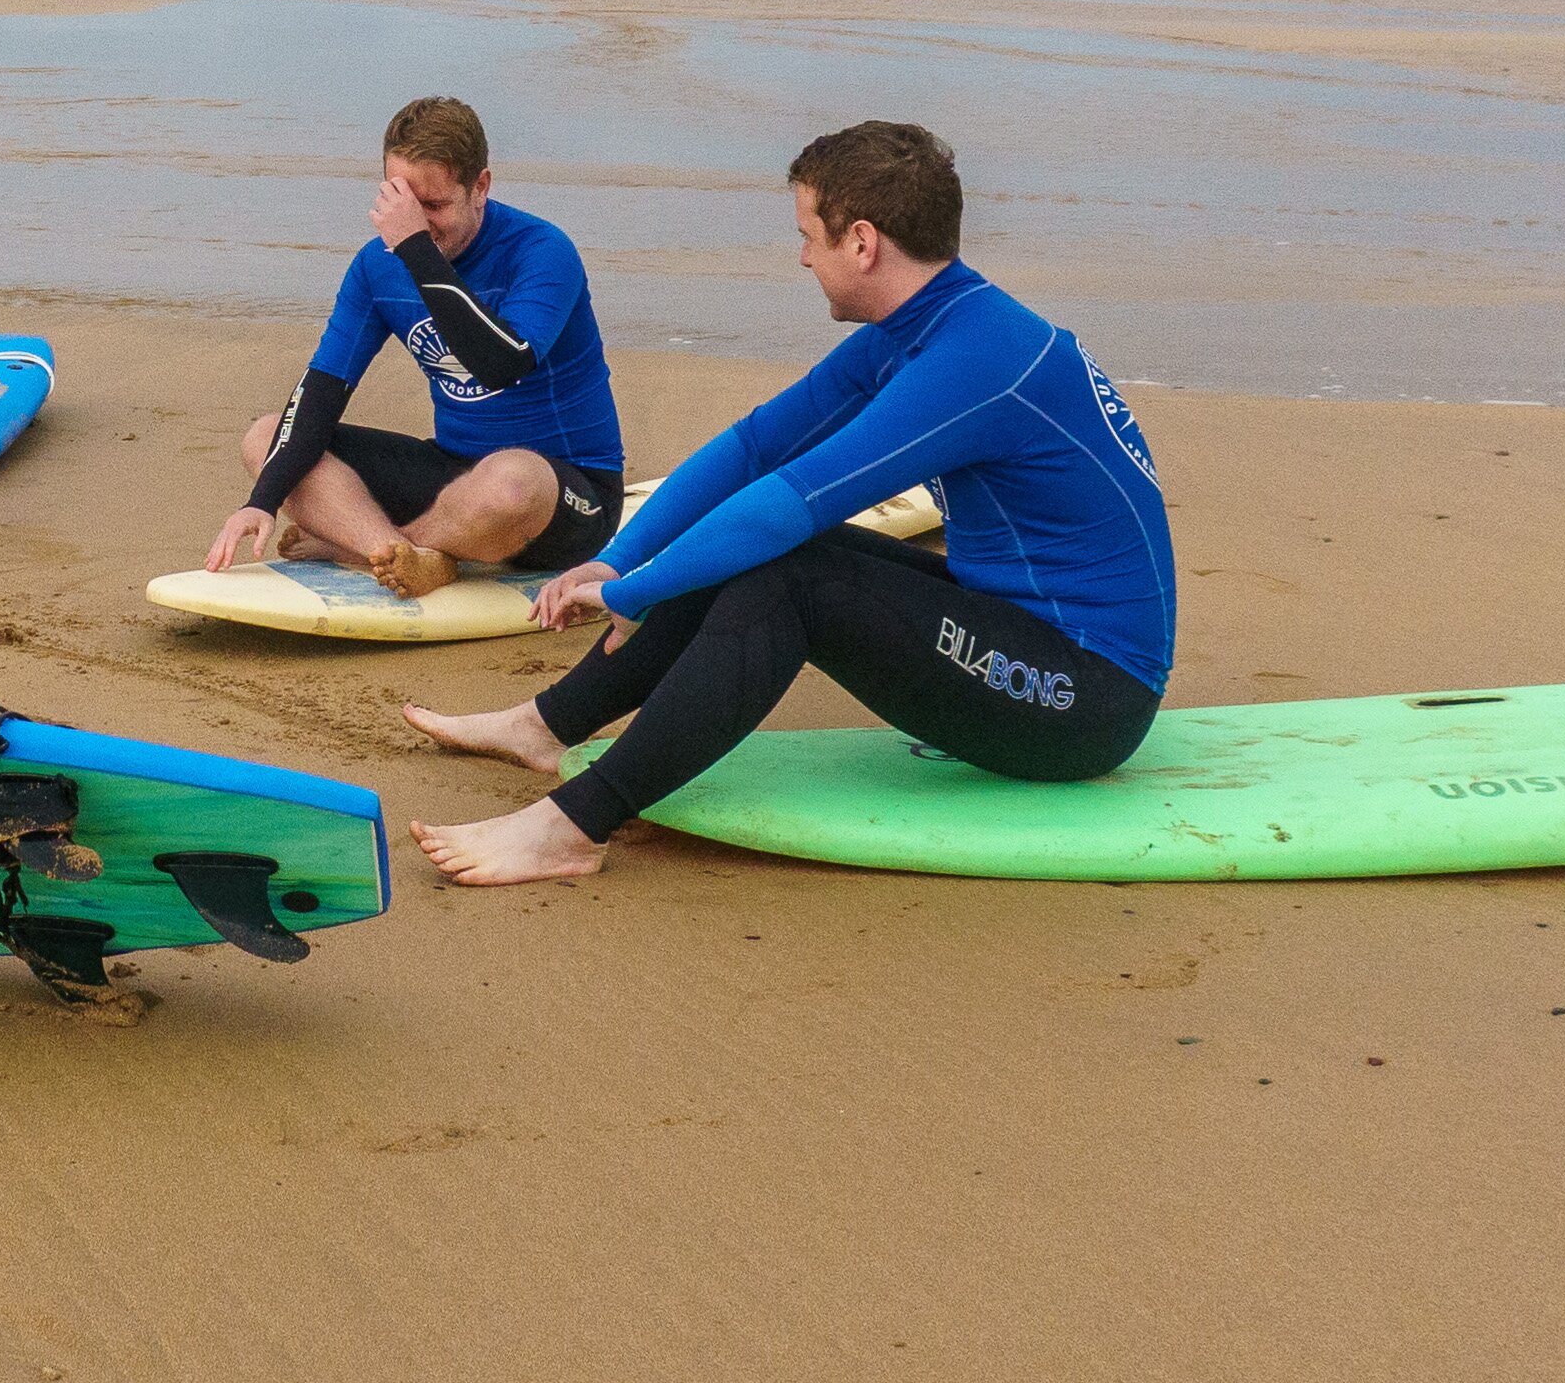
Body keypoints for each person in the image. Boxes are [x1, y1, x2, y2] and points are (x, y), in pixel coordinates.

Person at [403, 121, 1172, 886]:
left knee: (787, 576)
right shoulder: (928, 324)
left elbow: (790, 502)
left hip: (1084, 700)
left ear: (862, 242)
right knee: (763, 549)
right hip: (1015, 622)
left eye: (810, 234)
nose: (803, 254)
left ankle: (573, 826)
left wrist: (636, 592)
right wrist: (619, 558)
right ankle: (547, 725)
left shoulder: (974, 362)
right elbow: (753, 449)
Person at [196, 95, 623, 599]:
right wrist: (262, 501)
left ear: (480, 186)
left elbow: (502, 363)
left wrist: (416, 249)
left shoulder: (542, 252)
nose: (415, 224)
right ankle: (405, 556)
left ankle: (366, 549)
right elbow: (324, 388)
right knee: (266, 438)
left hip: (565, 493)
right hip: (452, 472)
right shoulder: (376, 266)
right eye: (405, 204)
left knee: (510, 481)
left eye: (435, 207)